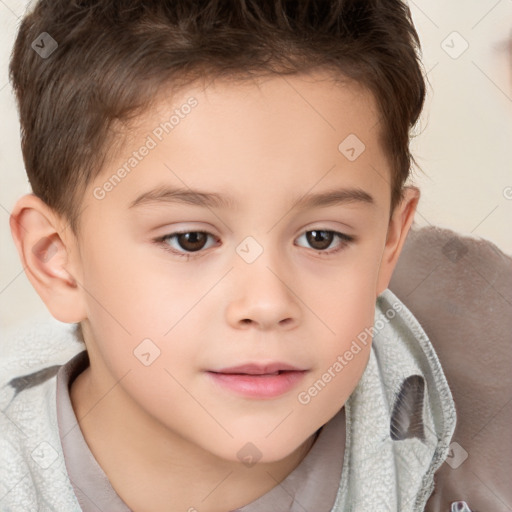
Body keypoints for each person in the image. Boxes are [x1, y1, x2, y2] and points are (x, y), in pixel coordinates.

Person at [1, 1, 460, 510]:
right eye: (191, 239)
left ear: (390, 240)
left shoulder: (487, 430)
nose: (266, 304)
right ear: (56, 260)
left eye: (322, 237)